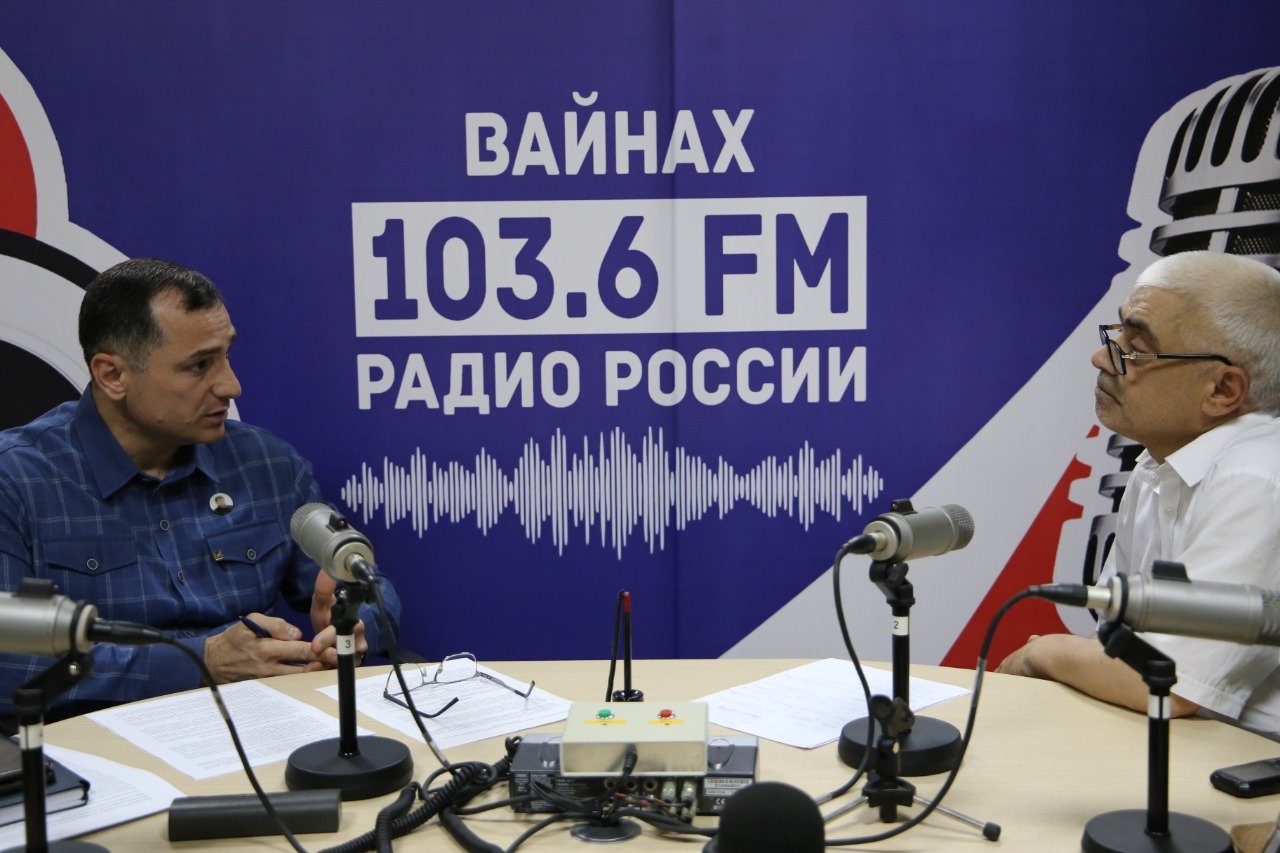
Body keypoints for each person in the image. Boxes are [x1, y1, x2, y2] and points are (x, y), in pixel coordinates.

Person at [0, 258, 401, 725]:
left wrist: (351, 625)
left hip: (259, 726)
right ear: (113, 375)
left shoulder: (266, 464)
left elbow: (367, 586)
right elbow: (9, 664)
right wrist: (200, 663)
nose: (231, 385)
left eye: (226, 355)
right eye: (199, 366)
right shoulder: (16, 480)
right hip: (93, 741)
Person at [998, 250, 1280, 739]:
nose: (1101, 358)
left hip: (1253, 766)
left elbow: (1165, 680)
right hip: (1185, 747)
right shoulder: (1159, 463)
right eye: (1117, 335)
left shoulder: (1258, 479)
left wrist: (1039, 652)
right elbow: (1116, 643)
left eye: (1137, 348)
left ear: (1222, 390)